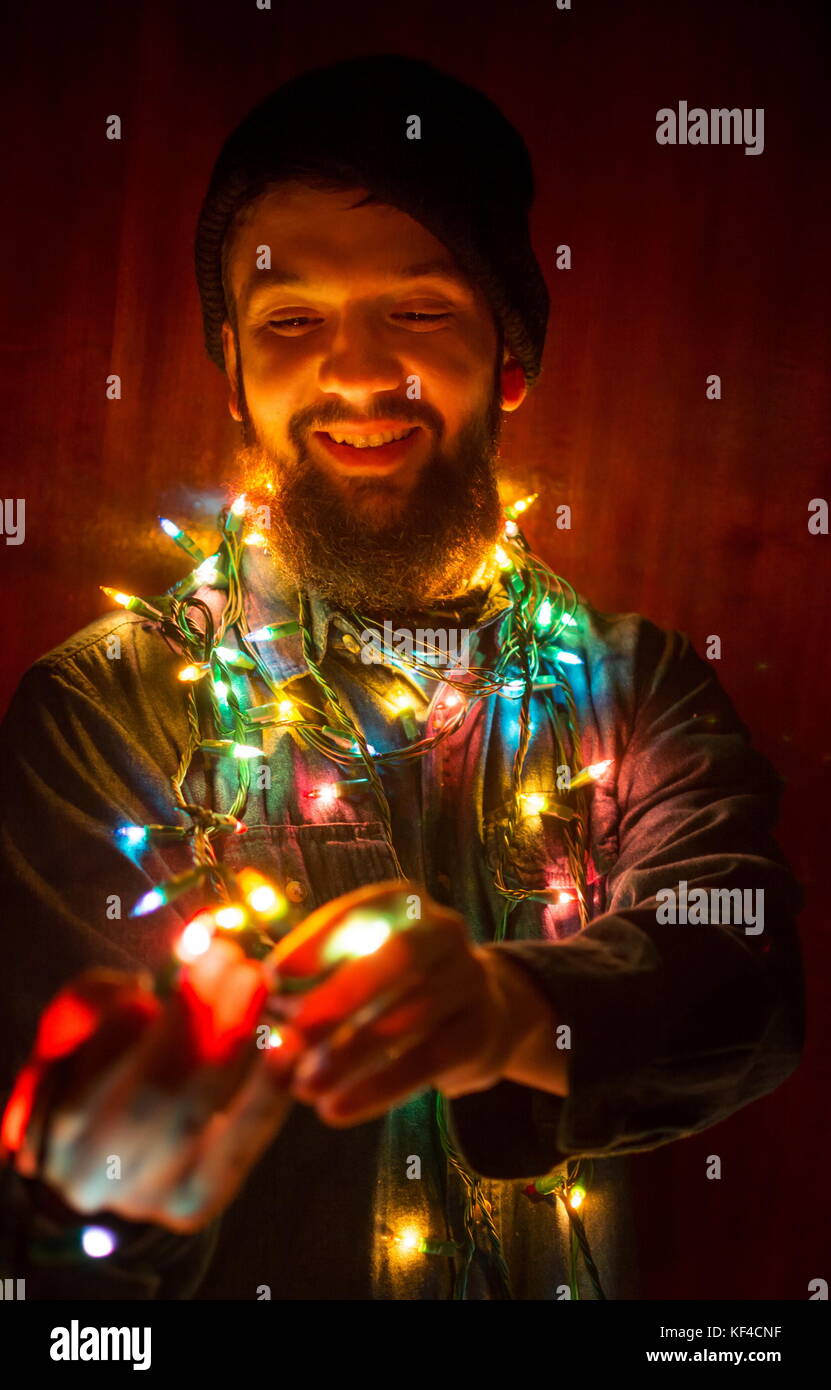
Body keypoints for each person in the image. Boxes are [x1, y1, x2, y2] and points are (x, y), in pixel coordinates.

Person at [0, 54, 804, 1301]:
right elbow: (66, 1243)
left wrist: (500, 1007)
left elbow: (743, 984)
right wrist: (100, 1179)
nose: (359, 373)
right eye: (291, 320)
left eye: (419, 313)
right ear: (233, 370)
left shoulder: (638, 686)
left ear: (512, 354)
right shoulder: (101, 711)